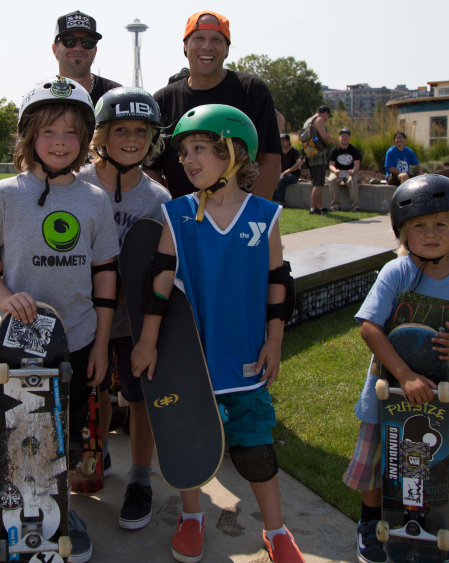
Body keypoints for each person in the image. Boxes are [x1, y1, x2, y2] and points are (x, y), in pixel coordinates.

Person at [131, 104, 304, 563]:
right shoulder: (178, 214)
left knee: (255, 451)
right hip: (190, 362)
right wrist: (148, 340)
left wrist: (275, 340)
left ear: (233, 152)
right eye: (184, 151)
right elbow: (160, 280)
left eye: (200, 149)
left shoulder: (264, 215)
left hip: (244, 355)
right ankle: (192, 517)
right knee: (188, 444)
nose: (188, 160)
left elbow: (278, 285)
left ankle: (277, 530)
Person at [0, 76, 119, 563]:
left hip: (76, 340)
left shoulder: (94, 200)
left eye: (72, 133)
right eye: (50, 131)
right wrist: (5, 298)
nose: (60, 142)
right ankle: (18, 516)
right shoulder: (6, 195)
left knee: (66, 438)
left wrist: (99, 347)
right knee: (21, 435)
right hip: (21, 345)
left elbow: (105, 277)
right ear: (29, 135)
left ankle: (61, 509)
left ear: (84, 141)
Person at [342, 175, 449, 563]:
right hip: (386, 394)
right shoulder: (397, 273)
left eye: (442, 224)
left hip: (434, 402)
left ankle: (419, 532)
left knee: (420, 471)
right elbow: (370, 328)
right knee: (375, 467)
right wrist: (404, 375)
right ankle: (370, 526)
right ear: (402, 232)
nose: (431, 233)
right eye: (419, 225)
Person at [75, 87, 170, 530]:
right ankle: (95, 453)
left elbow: (163, 271)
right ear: (101, 136)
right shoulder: (75, 184)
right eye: (119, 130)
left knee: (139, 398)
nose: (130, 139)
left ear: (151, 138)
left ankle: (140, 479)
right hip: (86, 318)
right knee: (92, 390)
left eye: (140, 131)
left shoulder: (158, 198)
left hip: (133, 321)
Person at [146, 11, 282, 200]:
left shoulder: (252, 90)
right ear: (185, 46)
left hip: (238, 222)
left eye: (217, 40)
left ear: (227, 49)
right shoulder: (163, 100)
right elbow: (151, 168)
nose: (207, 46)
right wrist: (173, 211)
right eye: (199, 38)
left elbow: (271, 161)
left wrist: (250, 215)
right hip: (184, 223)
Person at [52, 10, 122, 103]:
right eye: (69, 41)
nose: (78, 48)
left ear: (95, 51)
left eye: (87, 42)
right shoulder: (41, 98)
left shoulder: (115, 96)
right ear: (55, 49)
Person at [302, 105, 338, 214]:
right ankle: (313, 208)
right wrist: (337, 142)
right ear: (326, 113)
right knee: (318, 184)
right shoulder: (319, 119)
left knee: (317, 183)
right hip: (318, 156)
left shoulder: (309, 120)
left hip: (310, 155)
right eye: (328, 116)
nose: (327, 119)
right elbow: (325, 136)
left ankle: (320, 206)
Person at [327, 128, 362, 212]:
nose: (344, 138)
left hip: (350, 172)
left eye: (346, 136)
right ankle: (335, 206)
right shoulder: (334, 150)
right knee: (331, 180)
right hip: (338, 172)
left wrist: (353, 171)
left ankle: (355, 206)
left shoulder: (354, 150)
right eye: (342, 136)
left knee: (352, 181)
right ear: (339, 137)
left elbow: (357, 165)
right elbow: (331, 165)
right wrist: (335, 171)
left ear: (349, 138)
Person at [273, 133, 303, 204]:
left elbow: (299, 163)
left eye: (284, 140)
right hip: (283, 174)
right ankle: (273, 200)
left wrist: (289, 170)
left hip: (293, 175)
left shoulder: (294, 151)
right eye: (280, 140)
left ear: (288, 141)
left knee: (281, 180)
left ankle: (280, 201)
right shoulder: (280, 152)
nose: (282, 142)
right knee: (273, 179)